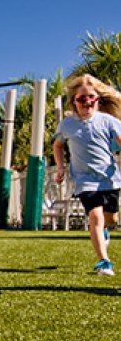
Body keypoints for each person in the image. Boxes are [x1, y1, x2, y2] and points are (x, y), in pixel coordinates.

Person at [53, 74, 121, 276]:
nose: (87, 101)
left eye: (91, 97)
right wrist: (60, 168)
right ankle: (104, 261)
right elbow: (58, 145)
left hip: (110, 179)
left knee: (111, 218)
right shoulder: (67, 125)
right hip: (85, 181)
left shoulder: (108, 120)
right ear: (74, 101)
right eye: (81, 98)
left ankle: (104, 231)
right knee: (95, 216)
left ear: (98, 100)